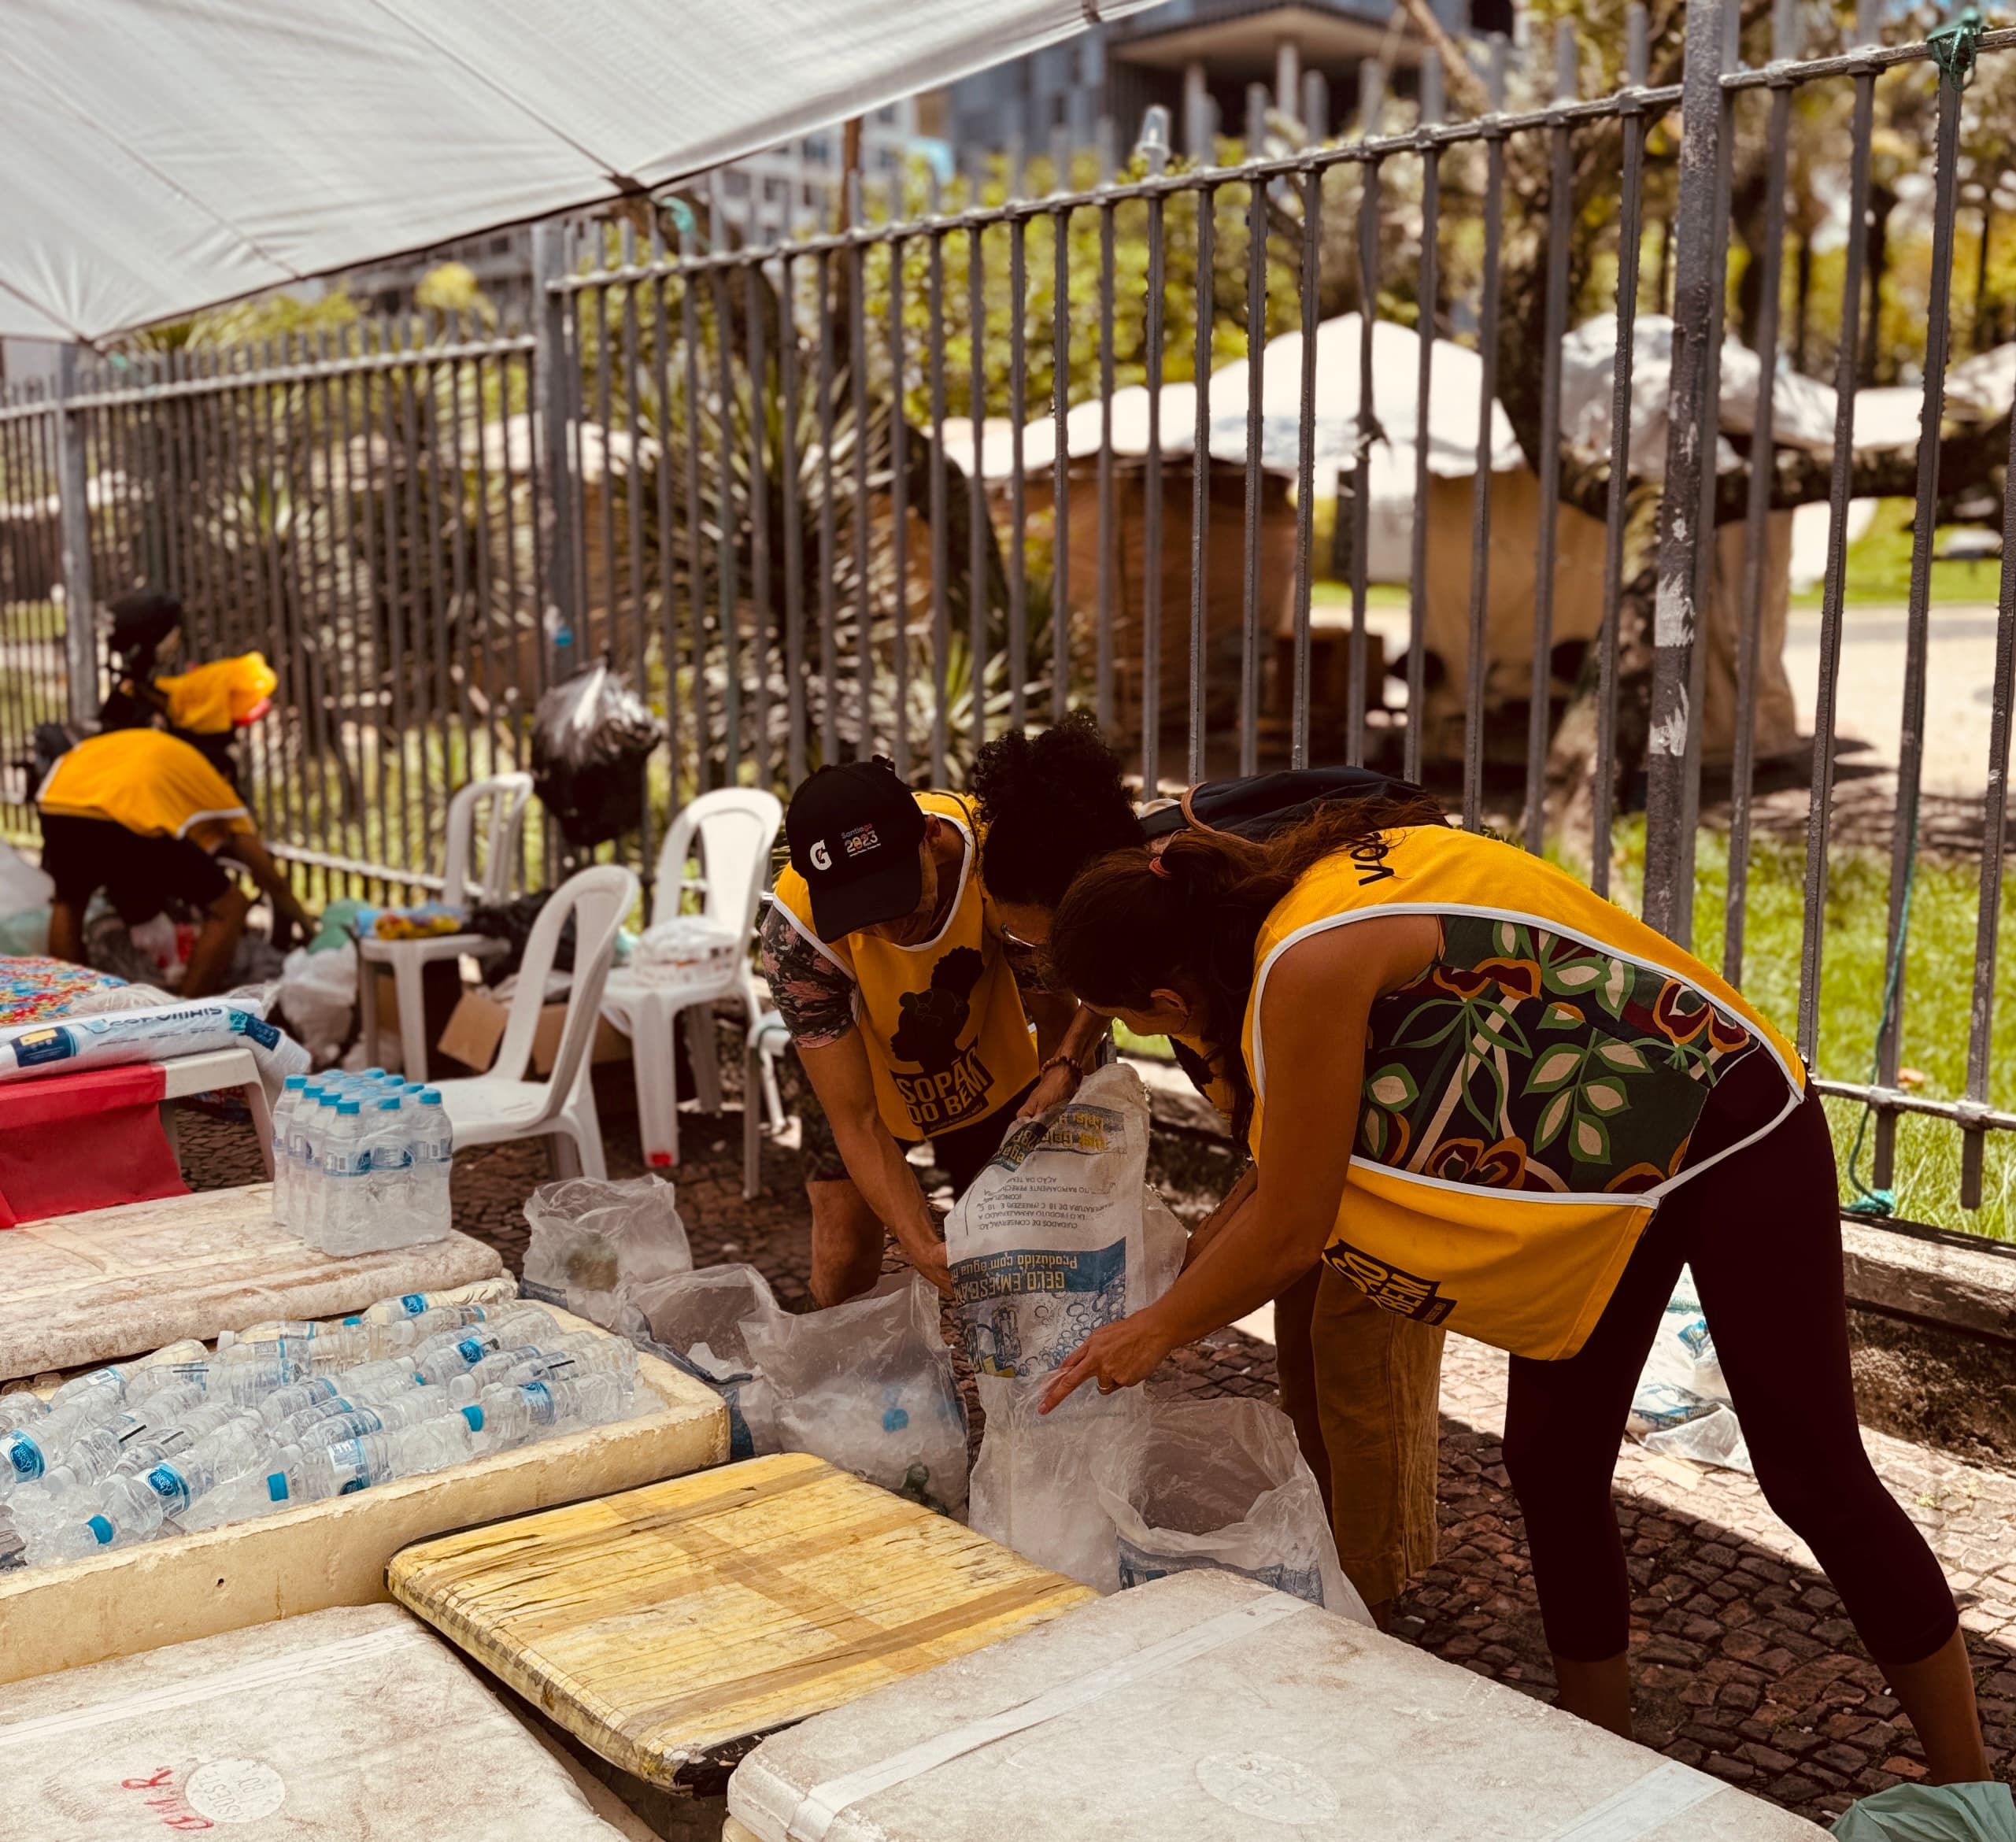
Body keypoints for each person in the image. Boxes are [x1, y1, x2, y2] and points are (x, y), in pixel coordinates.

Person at [1038, 805, 1989, 1781]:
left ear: (1169, 996)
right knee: (1551, 1462)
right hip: (1612, 1180)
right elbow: (1279, 1170)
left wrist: (1158, 1331)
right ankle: (1599, 1754)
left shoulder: (1304, 964)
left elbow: (1291, 1227)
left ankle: (1970, 1791)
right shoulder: (1288, 909)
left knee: (1810, 1473)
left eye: (1133, 1020)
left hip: (1732, 1126)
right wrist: (1167, 1288)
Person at [968, 712, 1448, 1624]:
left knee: (1354, 1360)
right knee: (1304, 1353)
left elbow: (1289, 1196)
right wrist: (1066, 1058)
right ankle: (1326, 1562)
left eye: (1037, 953)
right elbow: (1272, 1170)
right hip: (1318, 1121)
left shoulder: (1254, 940)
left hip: (1398, 1120)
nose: (1037, 976)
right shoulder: (1150, 894)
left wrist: (1167, 1315)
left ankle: (1374, 1609)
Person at [762, 758, 1076, 1306]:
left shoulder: (1001, 861)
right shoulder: (794, 936)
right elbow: (855, 1120)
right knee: (843, 1258)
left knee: (1020, 1249)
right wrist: (920, 1246)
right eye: (862, 914)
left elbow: (1054, 1017)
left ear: (929, 836)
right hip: (863, 1071)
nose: (889, 929)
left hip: (989, 1065)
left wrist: (1057, 1137)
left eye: (896, 899)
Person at [38, 727, 316, 996]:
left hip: (56, 797)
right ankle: (185, 1011)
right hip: (126, 807)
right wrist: (309, 930)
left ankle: (67, 1000)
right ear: (227, 775)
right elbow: (270, 879)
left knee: (69, 902)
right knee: (230, 906)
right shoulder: (214, 782)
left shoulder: (165, 755)